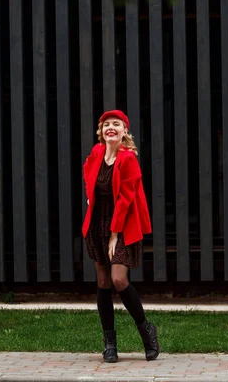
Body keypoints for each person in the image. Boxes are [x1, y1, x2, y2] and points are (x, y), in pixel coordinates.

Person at [82, 109, 159, 363]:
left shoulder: (128, 160)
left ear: (125, 131)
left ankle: (146, 331)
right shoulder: (96, 153)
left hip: (123, 226)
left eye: (116, 124)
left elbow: (125, 200)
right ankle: (110, 343)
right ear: (101, 131)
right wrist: (90, 196)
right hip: (97, 226)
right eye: (106, 125)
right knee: (103, 282)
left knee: (118, 280)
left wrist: (114, 234)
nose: (110, 128)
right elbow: (87, 173)